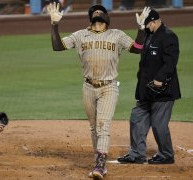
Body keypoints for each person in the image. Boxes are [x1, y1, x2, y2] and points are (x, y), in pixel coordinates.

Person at [47, 2, 150, 179]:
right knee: (94, 128)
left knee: (103, 126)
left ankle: (100, 166)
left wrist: (141, 29)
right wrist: (55, 25)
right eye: (94, 11)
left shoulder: (116, 35)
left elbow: (138, 49)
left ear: (107, 18)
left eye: (101, 11)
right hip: (88, 87)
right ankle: (98, 159)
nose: (98, 12)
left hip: (109, 87)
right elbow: (57, 46)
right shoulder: (81, 35)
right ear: (90, 18)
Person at [117, 8, 181, 164]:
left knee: (159, 125)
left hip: (163, 90)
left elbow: (171, 62)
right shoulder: (147, 35)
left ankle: (166, 155)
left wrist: (160, 78)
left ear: (154, 21)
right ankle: (137, 154)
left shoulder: (169, 36)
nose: (146, 28)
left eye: (147, 25)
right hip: (145, 89)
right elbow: (138, 49)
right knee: (137, 118)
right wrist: (140, 30)